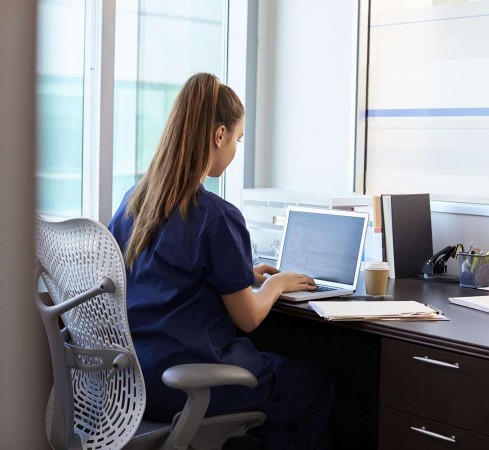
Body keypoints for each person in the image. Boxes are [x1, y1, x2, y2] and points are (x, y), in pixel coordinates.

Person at [108, 73, 334, 450]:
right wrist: (275, 284)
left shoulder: (135, 201)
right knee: (314, 386)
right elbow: (248, 318)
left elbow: (160, 275)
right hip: (188, 385)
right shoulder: (216, 215)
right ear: (219, 135)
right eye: (238, 139)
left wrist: (241, 277)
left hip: (134, 381)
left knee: (281, 387)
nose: (234, 149)